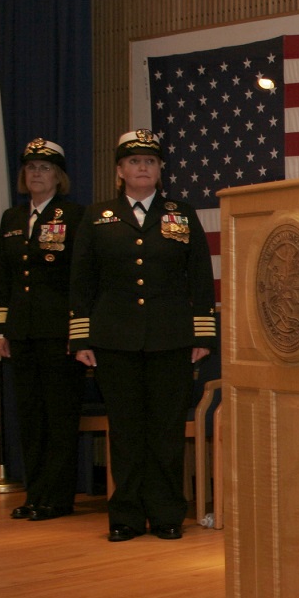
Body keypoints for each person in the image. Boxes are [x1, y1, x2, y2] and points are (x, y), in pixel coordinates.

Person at [69, 130, 217, 542]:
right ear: (120, 170)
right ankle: (126, 517)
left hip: (171, 338)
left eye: (150, 161)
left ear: (160, 169)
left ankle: (168, 514)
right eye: (134, 162)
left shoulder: (181, 214)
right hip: (114, 340)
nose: (142, 168)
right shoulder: (98, 217)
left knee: (166, 430)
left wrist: (203, 334)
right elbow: (81, 281)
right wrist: (81, 338)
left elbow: (200, 278)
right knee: (127, 431)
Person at [0, 138, 85, 521]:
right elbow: (5, 277)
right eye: (31, 167)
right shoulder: (12, 219)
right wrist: (2, 328)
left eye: (45, 168)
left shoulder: (75, 216)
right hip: (22, 331)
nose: (36, 173)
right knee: (30, 416)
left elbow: (80, 278)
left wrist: (78, 329)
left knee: (59, 416)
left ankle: (58, 498)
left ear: (59, 176)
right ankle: (35, 494)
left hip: (58, 331)